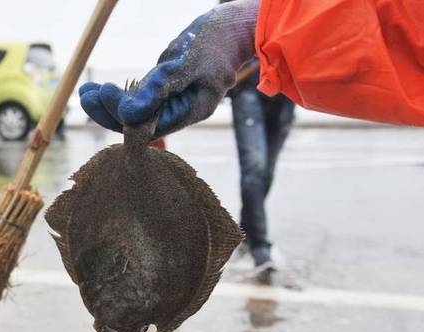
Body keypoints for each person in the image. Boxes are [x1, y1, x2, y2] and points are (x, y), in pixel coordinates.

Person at [79, 0, 424, 139]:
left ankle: (259, 246)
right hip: (261, 81)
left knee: (262, 170)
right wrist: (250, 26)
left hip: (278, 86)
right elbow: (396, 20)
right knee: (254, 172)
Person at [228, 58, 295, 272]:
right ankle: (259, 248)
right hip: (249, 88)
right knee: (254, 168)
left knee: (266, 172)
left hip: (286, 92)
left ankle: (246, 233)